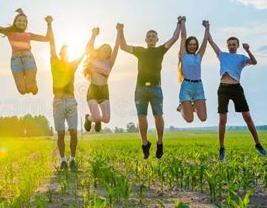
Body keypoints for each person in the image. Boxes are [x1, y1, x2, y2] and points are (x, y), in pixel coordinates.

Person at [119, 17, 183, 159]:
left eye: (153, 36)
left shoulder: (160, 50)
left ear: (157, 39)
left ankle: (160, 143)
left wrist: (179, 23)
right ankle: (144, 143)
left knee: (158, 116)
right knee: (141, 117)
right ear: (146, 40)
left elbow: (174, 37)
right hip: (140, 89)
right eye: (149, 36)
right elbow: (123, 46)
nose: (151, 38)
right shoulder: (140, 51)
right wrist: (120, 30)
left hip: (155, 89)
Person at [207, 23, 267, 161]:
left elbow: (254, 62)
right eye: (229, 44)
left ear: (237, 46)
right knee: (222, 119)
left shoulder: (241, 57)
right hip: (223, 89)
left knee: (247, 117)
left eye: (234, 44)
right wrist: (207, 28)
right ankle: (221, 148)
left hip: (236, 89)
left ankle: (258, 144)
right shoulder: (222, 55)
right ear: (227, 45)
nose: (231, 46)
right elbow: (210, 41)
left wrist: (248, 50)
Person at [48, 16, 87, 171]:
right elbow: (51, 43)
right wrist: (50, 24)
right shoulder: (54, 63)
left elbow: (84, 52)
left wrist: (93, 36)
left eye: (68, 52)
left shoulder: (72, 65)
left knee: (73, 132)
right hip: (58, 101)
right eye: (63, 52)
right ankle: (63, 160)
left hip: (71, 101)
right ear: (60, 53)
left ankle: (72, 159)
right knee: (61, 133)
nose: (66, 54)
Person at [0, 8, 50, 95]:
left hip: (28, 59)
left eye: (24, 21)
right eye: (19, 20)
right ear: (15, 22)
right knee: (22, 91)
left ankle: (34, 85)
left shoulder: (28, 35)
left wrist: (49, 23)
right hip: (16, 60)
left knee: (30, 87)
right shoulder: (9, 32)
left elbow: (47, 39)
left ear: (26, 24)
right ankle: (28, 81)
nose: (21, 22)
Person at [83, 25, 120, 132]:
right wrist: (94, 35)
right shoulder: (93, 59)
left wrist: (119, 32)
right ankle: (89, 119)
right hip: (93, 90)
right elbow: (88, 47)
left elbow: (116, 47)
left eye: (108, 50)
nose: (107, 51)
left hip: (104, 91)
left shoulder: (110, 63)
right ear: (99, 50)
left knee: (106, 119)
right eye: (104, 49)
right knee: (98, 117)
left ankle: (95, 119)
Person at [176, 18, 209, 123]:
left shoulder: (199, 56)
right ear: (187, 45)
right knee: (189, 119)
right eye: (190, 44)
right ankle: (181, 108)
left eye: (194, 44)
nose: (192, 46)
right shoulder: (183, 55)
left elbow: (205, 40)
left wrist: (207, 27)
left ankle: (192, 105)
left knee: (203, 118)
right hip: (186, 86)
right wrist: (182, 23)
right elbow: (183, 37)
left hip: (198, 86)